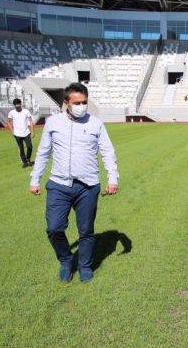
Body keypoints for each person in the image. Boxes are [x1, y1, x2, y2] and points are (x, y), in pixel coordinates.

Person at [29, 83, 119, 283]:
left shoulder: (96, 124)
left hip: (87, 186)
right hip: (59, 185)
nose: (82, 106)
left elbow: (108, 151)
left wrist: (113, 178)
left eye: (84, 102)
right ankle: (66, 260)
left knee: (86, 231)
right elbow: (43, 153)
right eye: (77, 103)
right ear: (66, 103)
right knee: (54, 228)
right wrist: (35, 179)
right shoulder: (53, 123)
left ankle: (85, 266)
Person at [6, 98, 35, 168]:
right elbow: (7, 121)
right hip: (17, 134)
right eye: (16, 106)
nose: (17, 107)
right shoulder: (11, 112)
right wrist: (12, 131)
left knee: (30, 147)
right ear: (14, 106)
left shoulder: (26, 111)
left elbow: (31, 121)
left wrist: (32, 132)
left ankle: (28, 159)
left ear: (21, 104)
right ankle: (25, 162)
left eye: (18, 106)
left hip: (26, 133)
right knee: (21, 149)